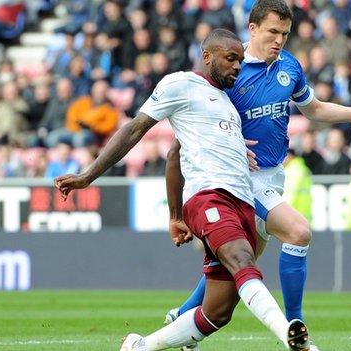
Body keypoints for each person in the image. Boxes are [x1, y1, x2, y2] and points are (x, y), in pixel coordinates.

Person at [165, 2, 351, 350]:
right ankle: (297, 328)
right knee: (298, 231)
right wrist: (229, 145)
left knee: (234, 268)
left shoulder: (289, 67)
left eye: (285, 34)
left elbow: (316, 109)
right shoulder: (229, 70)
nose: (279, 40)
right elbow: (193, 129)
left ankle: (182, 318)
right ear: (252, 28)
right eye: (272, 32)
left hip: (274, 175)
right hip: (243, 179)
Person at [54, 29, 312, 351]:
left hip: (243, 202)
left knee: (218, 312)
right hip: (209, 196)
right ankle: (291, 338)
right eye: (231, 59)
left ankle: (140, 346)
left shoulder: (228, 105)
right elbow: (137, 129)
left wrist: (232, 150)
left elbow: (180, 152)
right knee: (243, 258)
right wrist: (89, 174)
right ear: (207, 57)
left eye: (240, 61)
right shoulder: (181, 84)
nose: (237, 66)